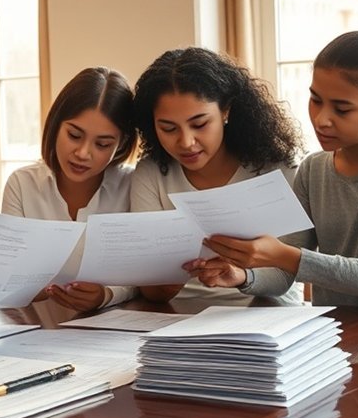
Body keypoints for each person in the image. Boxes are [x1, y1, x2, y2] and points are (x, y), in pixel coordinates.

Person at [197, 15, 358, 312]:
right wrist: (243, 275)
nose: (321, 119)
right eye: (316, 100)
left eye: (342, 109)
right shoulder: (313, 169)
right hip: (339, 336)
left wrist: (281, 254)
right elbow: (283, 272)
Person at [130, 46, 306, 303]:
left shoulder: (278, 169)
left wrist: (242, 274)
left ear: (226, 111)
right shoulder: (151, 174)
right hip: (178, 317)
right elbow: (152, 288)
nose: (186, 142)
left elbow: (290, 270)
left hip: (267, 310)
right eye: (168, 128)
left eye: (200, 124)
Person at [1, 67, 139, 311]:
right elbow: (7, 273)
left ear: (120, 145)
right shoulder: (22, 185)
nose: (83, 153)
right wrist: (30, 289)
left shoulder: (133, 185)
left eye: (102, 144)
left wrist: (106, 295)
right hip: (34, 333)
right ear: (56, 125)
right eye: (74, 135)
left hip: (113, 333)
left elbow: (145, 275)